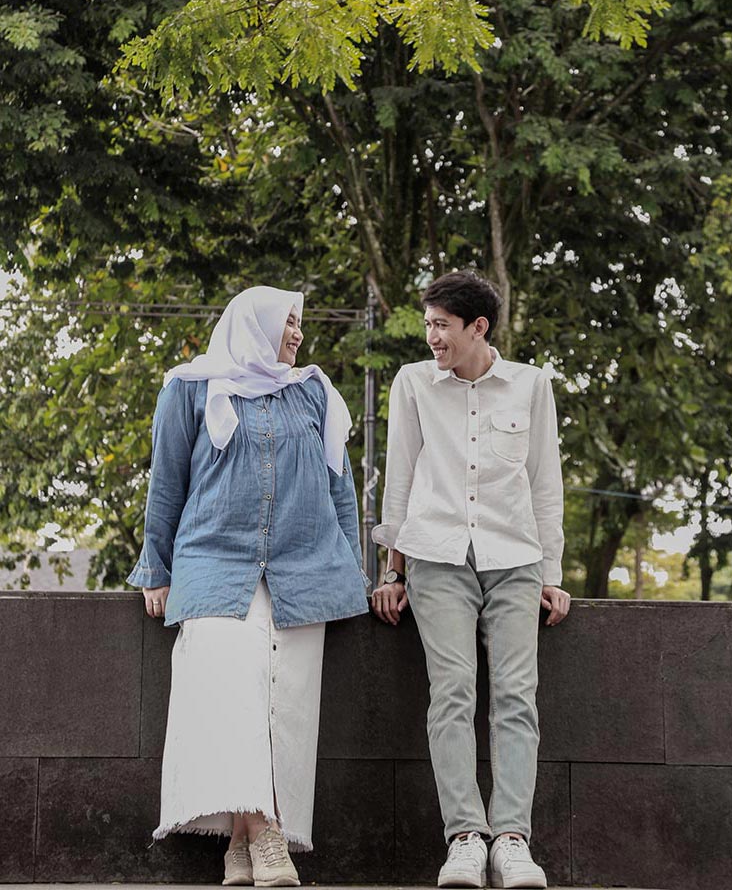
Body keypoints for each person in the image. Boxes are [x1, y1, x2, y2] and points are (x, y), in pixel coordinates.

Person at [128, 285, 369, 888]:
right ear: (254, 326)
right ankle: (266, 831)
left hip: (304, 569)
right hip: (212, 565)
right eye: (288, 322)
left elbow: (339, 486)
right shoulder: (189, 388)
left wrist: (352, 574)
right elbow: (167, 482)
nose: (298, 334)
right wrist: (156, 568)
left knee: (285, 704)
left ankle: (239, 842)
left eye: (299, 323)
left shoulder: (312, 392)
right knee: (229, 687)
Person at [372, 270, 570, 890]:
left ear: (478, 327)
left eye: (442, 325)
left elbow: (545, 483)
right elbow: (400, 477)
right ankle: (464, 838)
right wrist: (392, 569)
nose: (431, 336)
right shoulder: (412, 383)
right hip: (437, 558)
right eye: (428, 324)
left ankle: (512, 840)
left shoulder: (532, 385)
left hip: (515, 559)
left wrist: (552, 573)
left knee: (517, 695)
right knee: (452, 690)